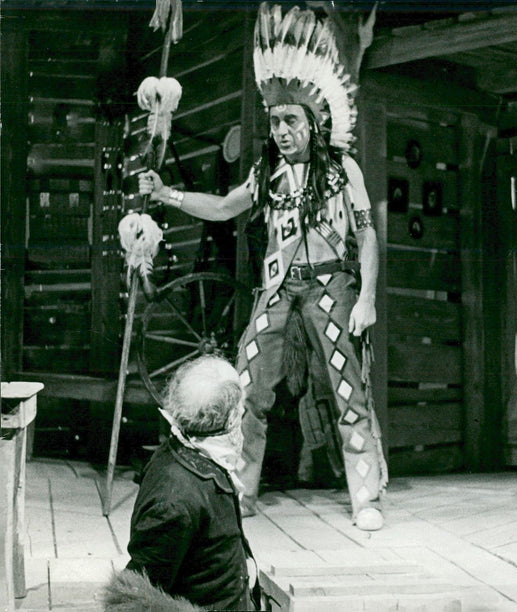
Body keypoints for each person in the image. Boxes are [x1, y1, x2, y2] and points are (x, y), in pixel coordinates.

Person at [139, 4, 387, 531]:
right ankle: (240, 491)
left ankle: (365, 495)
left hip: (331, 290)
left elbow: (366, 234)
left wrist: (365, 298)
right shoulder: (266, 174)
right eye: (274, 121)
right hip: (276, 292)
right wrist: (168, 194)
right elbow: (227, 206)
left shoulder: (344, 171)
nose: (279, 130)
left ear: (314, 123)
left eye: (289, 120)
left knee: (347, 390)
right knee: (248, 388)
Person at [118, 355, 260, 610]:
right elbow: (135, 594)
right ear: (230, 420)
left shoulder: (193, 453)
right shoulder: (175, 500)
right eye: (240, 411)